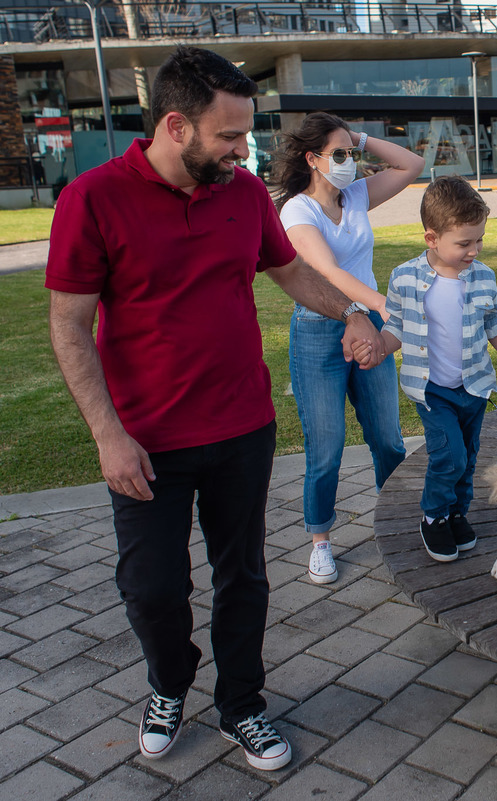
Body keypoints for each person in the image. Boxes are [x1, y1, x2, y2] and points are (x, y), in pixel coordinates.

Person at [45, 46, 386, 772]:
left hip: (241, 427)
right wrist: (107, 435)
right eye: (230, 136)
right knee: (152, 587)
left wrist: (353, 312)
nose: (245, 150)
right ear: (176, 125)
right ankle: (170, 682)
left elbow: (290, 270)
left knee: (245, 577)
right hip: (145, 440)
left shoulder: (243, 194)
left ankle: (242, 704)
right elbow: (69, 325)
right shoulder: (94, 198)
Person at [273, 113, 423, 585]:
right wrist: (390, 306)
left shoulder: (356, 195)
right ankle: (320, 541)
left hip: (373, 324)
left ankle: (399, 521)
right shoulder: (297, 211)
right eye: (337, 155)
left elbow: (412, 164)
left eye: (351, 154)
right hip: (319, 329)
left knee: (386, 436)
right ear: (312, 159)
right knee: (327, 447)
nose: (348, 162)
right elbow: (330, 275)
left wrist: (358, 136)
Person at [360, 175, 497, 562]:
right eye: (464, 243)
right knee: (448, 454)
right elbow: (396, 328)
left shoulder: (483, 276)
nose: (474, 250)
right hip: (432, 389)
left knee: (468, 456)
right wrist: (379, 348)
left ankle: (457, 512)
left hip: (472, 386)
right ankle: (434, 516)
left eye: (479, 240)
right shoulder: (405, 277)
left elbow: (494, 324)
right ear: (432, 238)